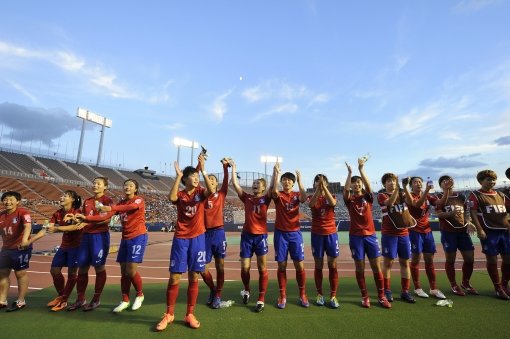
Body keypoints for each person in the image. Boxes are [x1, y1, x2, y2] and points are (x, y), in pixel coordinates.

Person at [156, 154, 214, 331]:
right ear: (186, 179)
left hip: (198, 238)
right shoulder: (180, 194)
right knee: (174, 277)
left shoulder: (200, 193)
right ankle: (169, 314)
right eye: (193, 177)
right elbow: (171, 198)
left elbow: (211, 191)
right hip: (181, 238)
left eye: (197, 177)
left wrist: (202, 169)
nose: (196, 180)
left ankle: (189, 313)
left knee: (194, 276)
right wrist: (178, 177)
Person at [75, 179, 148, 312]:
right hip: (125, 238)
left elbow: (130, 207)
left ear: (136, 189)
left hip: (138, 236)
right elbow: (106, 216)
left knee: (130, 270)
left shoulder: (139, 200)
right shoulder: (120, 203)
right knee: (123, 271)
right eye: (125, 185)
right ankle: (125, 300)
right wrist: (86, 218)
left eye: (131, 186)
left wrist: (110, 207)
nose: (127, 187)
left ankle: (139, 294)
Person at [344, 159, 390, 308]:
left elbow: (369, 187)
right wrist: (350, 173)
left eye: (358, 183)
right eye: (354, 182)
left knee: (376, 266)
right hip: (355, 237)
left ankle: (382, 296)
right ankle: (365, 296)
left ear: (361, 184)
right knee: (360, 267)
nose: (356, 184)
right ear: (351, 185)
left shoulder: (367, 197)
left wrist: (361, 169)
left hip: (370, 235)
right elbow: (345, 191)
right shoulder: (350, 199)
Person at [231, 159, 273, 313]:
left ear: (263, 187)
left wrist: (275, 172)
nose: (254, 185)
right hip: (247, 237)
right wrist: (234, 168)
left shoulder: (266, 198)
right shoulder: (247, 197)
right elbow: (235, 185)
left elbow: (273, 187)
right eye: (254, 183)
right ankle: (247, 289)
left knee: (262, 268)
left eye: (258, 183)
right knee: (245, 267)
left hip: (261, 236)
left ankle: (261, 298)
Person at [68, 177, 113, 311]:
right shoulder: (87, 201)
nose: (95, 185)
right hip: (86, 237)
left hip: (99, 237)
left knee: (99, 267)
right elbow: (82, 217)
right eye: (94, 183)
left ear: (105, 187)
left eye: (98, 183)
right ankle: (80, 299)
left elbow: (105, 219)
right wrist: (75, 218)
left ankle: (96, 299)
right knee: (82, 268)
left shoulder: (107, 201)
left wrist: (86, 220)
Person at [0, 191, 45, 311]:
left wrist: (25, 240)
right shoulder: (1, 215)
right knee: (2, 273)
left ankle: (21, 300)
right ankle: (2, 300)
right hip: (6, 249)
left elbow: (27, 226)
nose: (7, 202)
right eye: (5, 199)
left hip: (20, 248)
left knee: (20, 273)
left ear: (18, 201)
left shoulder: (23, 212)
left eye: (11, 199)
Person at [469, 170, 510, 299]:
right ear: (481, 181)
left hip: (504, 231)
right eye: (488, 179)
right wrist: (479, 229)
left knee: (508, 259)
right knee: (492, 259)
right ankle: (497, 287)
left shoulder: (501, 195)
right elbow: (473, 213)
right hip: (489, 232)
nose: (492, 182)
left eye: (493, 179)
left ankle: (504, 284)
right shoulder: (475, 195)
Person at [271, 162, 308, 308]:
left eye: (289, 180)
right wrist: (276, 173)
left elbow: (304, 198)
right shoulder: (278, 195)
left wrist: (300, 180)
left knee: (299, 265)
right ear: (281, 182)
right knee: (282, 265)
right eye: (284, 180)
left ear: (293, 183)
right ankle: (282, 295)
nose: (286, 182)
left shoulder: (297, 195)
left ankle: (302, 295)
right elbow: (273, 191)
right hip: (280, 234)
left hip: (295, 234)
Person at [435, 175, 478, 296]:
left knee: (470, 259)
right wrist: (450, 213)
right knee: (450, 259)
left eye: (449, 180)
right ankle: (454, 284)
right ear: (441, 185)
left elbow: (466, 212)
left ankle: (466, 282)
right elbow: (439, 214)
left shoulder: (461, 196)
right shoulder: (439, 197)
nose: (447, 182)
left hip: (463, 231)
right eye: (444, 181)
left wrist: (469, 222)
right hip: (448, 232)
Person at [377, 173, 417, 303]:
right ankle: (386, 290)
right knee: (388, 263)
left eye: (394, 181)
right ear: (384, 184)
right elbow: (390, 202)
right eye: (389, 181)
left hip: (404, 233)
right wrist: (399, 187)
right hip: (389, 234)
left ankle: (405, 291)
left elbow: (411, 202)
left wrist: (405, 187)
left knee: (405, 262)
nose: (392, 183)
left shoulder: (402, 193)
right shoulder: (381, 195)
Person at [406, 177, 446, 300]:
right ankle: (417, 288)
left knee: (429, 260)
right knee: (416, 259)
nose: (418, 183)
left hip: (427, 231)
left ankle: (433, 288)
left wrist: (447, 191)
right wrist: (427, 191)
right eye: (415, 182)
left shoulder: (428, 196)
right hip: (415, 231)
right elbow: (417, 205)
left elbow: (441, 203)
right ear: (411, 185)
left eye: (419, 182)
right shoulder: (409, 195)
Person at [45, 190, 86, 311]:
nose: (62, 197)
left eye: (65, 196)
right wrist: (30, 240)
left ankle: (64, 299)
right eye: (62, 195)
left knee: (72, 273)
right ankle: (61, 296)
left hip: (78, 247)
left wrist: (57, 228)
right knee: (54, 270)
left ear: (72, 199)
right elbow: (49, 226)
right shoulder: (57, 213)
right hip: (64, 246)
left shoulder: (78, 212)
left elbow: (75, 226)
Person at [200, 158, 229, 309]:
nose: (210, 180)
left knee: (220, 266)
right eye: (208, 179)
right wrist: (200, 165)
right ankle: (212, 289)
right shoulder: (201, 197)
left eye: (213, 179)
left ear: (216, 184)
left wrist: (225, 167)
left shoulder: (221, 194)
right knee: (202, 268)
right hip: (204, 235)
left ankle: (218, 294)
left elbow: (226, 179)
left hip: (218, 233)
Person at [309, 173, 340, 308]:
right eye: (317, 181)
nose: (319, 183)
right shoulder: (312, 197)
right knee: (319, 265)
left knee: (332, 265)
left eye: (322, 181)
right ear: (314, 184)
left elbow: (332, 203)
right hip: (317, 234)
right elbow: (311, 204)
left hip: (331, 234)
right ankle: (320, 294)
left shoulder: (331, 196)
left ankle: (333, 296)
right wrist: (318, 189)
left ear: (327, 183)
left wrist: (324, 188)